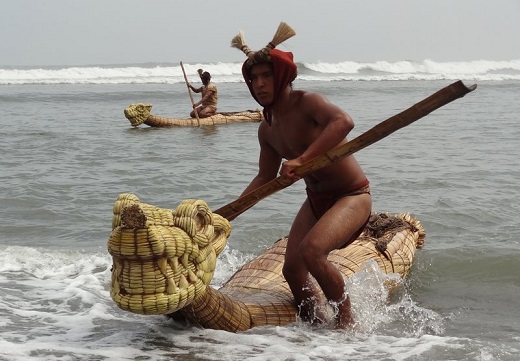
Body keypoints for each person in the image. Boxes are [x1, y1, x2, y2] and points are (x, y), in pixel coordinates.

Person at [229, 22, 372, 328]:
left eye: (267, 76)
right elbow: (264, 177)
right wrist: (229, 213)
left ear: (281, 76)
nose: (260, 85)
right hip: (316, 199)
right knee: (292, 270)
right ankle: (314, 323)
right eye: (253, 79)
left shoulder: (308, 102)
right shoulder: (267, 129)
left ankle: (349, 325)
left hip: (351, 196)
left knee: (312, 252)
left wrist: (303, 159)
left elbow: (344, 122)